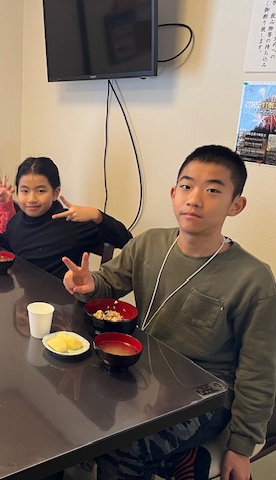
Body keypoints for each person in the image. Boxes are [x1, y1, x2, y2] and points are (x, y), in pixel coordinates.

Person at [62, 145, 276, 480]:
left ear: (236, 205)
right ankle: (180, 459)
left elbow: (258, 372)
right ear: (174, 194)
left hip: (206, 396)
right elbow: (108, 283)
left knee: (122, 447)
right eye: (187, 186)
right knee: (72, 406)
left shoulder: (253, 279)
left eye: (213, 190)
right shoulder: (149, 244)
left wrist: (241, 447)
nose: (195, 199)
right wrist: (89, 284)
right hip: (146, 373)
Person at [0, 156, 132, 279]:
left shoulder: (71, 223)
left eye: (41, 191)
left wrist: (97, 215)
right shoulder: (17, 221)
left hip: (61, 303)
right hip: (25, 296)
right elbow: (13, 248)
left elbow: (126, 241)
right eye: (25, 191)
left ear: (55, 193)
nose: (31, 199)